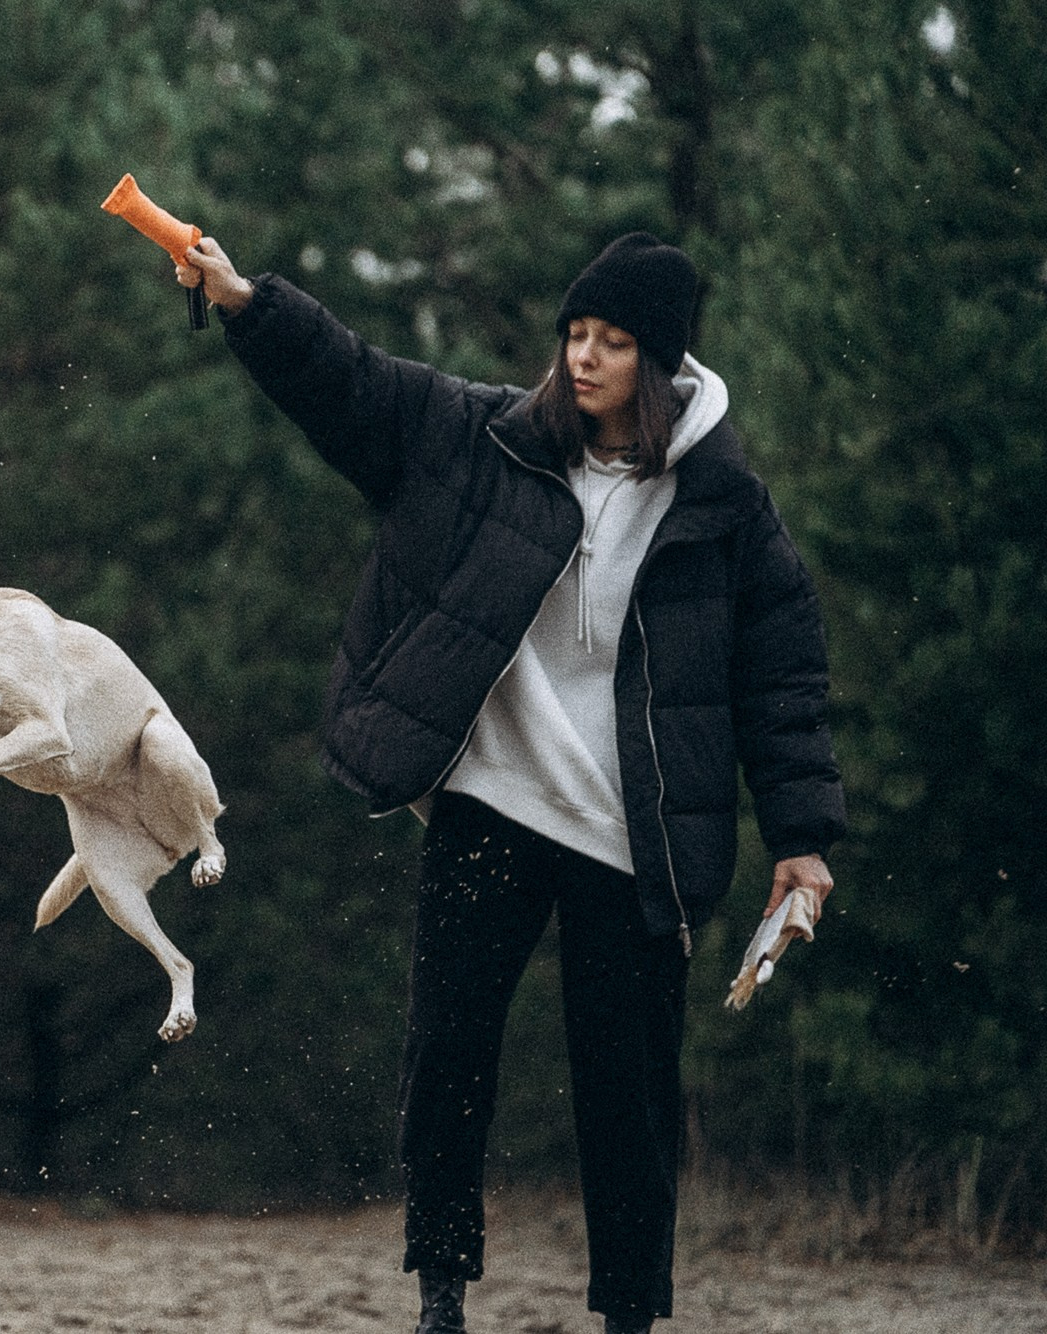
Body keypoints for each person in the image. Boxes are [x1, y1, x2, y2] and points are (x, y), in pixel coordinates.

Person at [178, 231, 846, 1333]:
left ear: (663, 362)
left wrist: (803, 833)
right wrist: (244, 300)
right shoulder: (480, 437)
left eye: (612, 341)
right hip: (492, 797)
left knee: (624, 1097)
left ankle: (628, 1312)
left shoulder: (724, 505)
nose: (581, 357)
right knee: (446, 1048)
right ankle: (439, 1291)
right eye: (573, 333)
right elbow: (349, 381)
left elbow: (781, 679)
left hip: (633, 837)